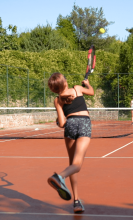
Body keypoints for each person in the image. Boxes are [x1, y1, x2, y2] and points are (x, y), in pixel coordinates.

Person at [47, 72, 94, 213]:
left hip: (70, 126)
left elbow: (61, 123)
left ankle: (77, 201)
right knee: (77, 165)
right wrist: (87, 84)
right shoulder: (77, 88)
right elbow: (91, 92)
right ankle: (59, 177)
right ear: (65, 82)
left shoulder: (57, 100)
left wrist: (59, 119)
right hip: (84, 123)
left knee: (72, 164)